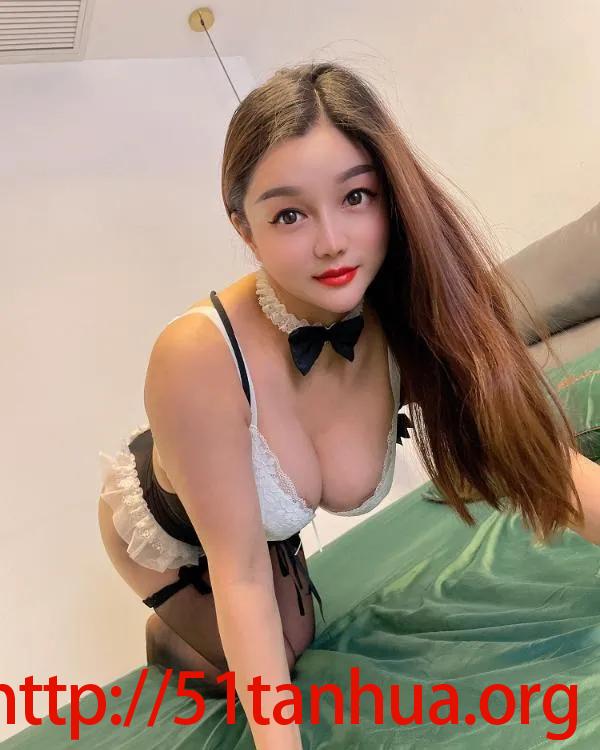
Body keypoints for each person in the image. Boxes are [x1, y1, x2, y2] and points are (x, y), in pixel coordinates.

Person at [98, 61, 591, 749]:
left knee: (294, 628)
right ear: (245, 228)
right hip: (169, 526)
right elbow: (240, 575)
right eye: (290, 214)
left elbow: (542, 459)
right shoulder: (195, 358)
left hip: (262, 511)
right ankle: (174, 636)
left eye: (356, 197)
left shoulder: (411, 306)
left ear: (391, 196)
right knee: (279, 648)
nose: (332, 240)